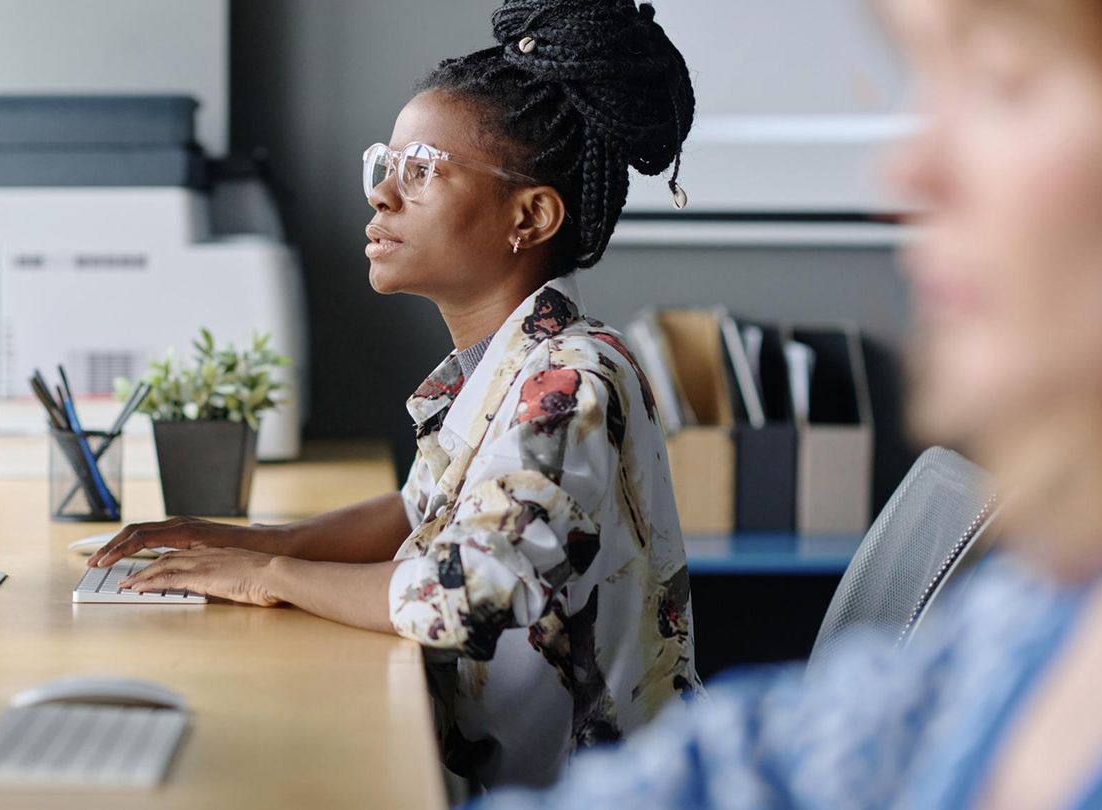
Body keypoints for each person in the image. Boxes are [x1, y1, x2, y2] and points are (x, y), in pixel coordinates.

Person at [468, 0, 1102, 806]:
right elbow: (759, 761)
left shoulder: (569, 375)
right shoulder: (1038, 612)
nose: (904, 172)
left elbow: (470, 597)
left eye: (1000, 81)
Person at [89, 0, 699, 789]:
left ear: (530, 216)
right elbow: (423, 514)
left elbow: (464, 592)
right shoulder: (505, 365)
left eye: (422, 172)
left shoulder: (569, 382)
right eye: (387, 165)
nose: (381, 194)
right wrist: (260, 543)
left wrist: (267, 578)